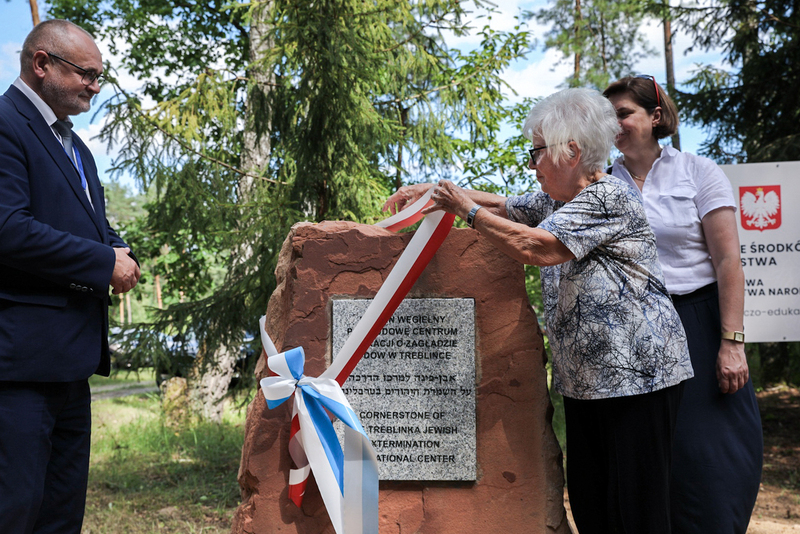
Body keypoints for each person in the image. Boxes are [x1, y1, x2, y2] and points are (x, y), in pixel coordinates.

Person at [384, 88, 694, 533]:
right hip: (587, 384)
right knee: (592, 505)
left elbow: (538, 247)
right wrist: (434, 192)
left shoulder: (609, 197)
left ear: (571, 150)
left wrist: (465, 211)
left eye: (536, 153)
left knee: (637, 512)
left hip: (638, 381)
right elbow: (504, 205)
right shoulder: (557, 200)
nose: (532, 165)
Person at [603, 75, 763, 533]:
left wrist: (732, 341)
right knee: (650, 459)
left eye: (624, 113)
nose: (615, 124)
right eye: (607, 116)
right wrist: (464, 202)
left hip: (698, 321)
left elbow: (729, 260)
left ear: (655, 117)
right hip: (632, 331)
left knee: (710, 457)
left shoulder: (698, 171)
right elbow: (534, 210)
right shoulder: (602, 183)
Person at [0, 19, 140, 533]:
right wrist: (104, 262)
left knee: (61, 513)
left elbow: (86, 221)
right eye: (86, 73)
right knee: (14, 509)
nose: (95, 86)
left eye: (100, 76)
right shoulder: (4, 124)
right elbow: (8, 229)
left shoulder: (75, 147)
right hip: (19, 367)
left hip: (71, 360)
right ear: (41, 64)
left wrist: (116, 243)